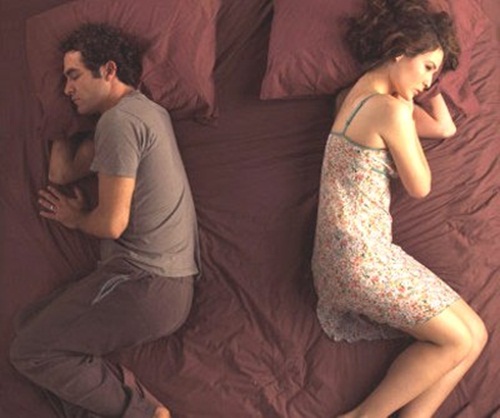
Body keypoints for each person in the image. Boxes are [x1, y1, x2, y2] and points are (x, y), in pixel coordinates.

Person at [10, 23, 200, 418]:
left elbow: (112, 225)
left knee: (32, 350)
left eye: (74, 76)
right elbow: (61, 173)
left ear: (109, 70)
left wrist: (76, 218)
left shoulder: (120, 123)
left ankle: (147, 414)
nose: (67, 88)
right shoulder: (141, 114)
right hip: (161, 285)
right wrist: (58, 115)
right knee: (30, 325)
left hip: (146, 282)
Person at [311, 1, 488, 417]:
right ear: (399, 50)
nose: (428, 83)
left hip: (342, 256)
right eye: (427, 68)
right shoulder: (390, 110)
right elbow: (420, 186)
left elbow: (445, 128)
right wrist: (406, 110)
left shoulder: (352, 97)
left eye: (434, 75)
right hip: (361, 258)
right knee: (459, 340)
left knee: (475, 335)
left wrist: (430, 87)